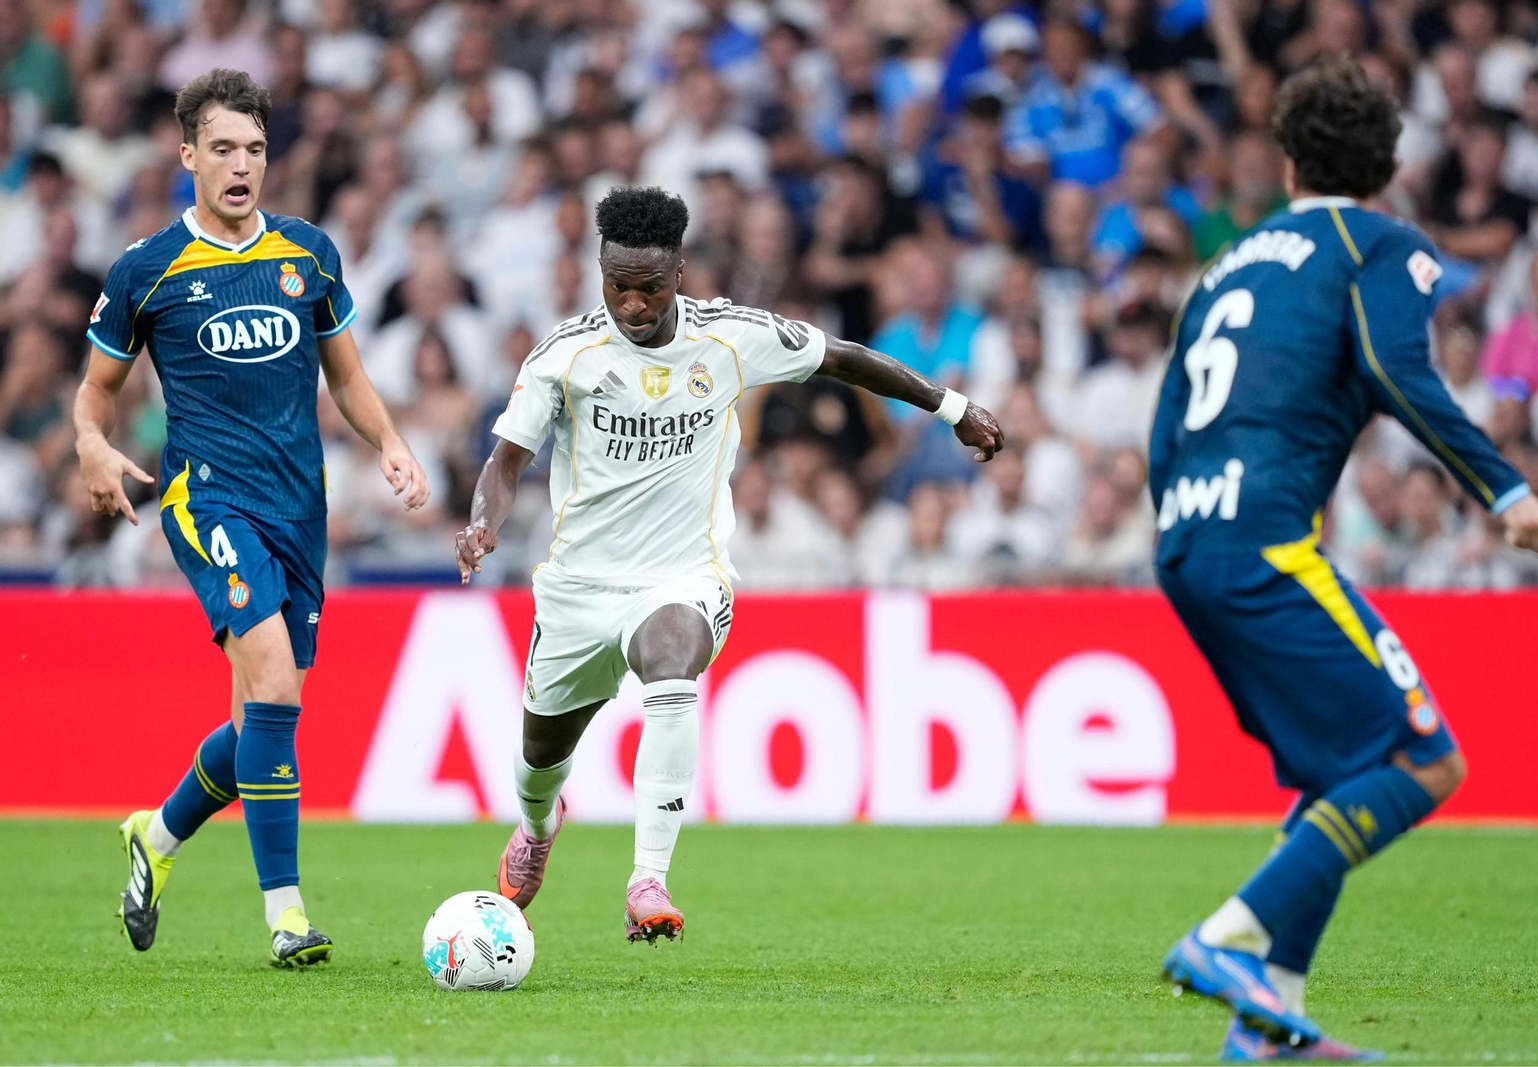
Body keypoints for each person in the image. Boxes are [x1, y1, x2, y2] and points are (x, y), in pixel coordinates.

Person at [454, 186, 1002, 943]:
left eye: (650, 287)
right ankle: (538, 826)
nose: (633, 304)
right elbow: (506, 460)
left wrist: (951, 407)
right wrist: (482, 524)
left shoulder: (731, 336)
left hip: (683, 573)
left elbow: (843, 358)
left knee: (672, 658)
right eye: (618, 286)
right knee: (540, 757)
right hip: (580, 586)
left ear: (679, 272)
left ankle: (648, 878)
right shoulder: (565, 354)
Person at [1148, 58, 1538, 1059]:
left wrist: (1187, 525)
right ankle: (1227, 937)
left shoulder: (1225, 266)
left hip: (1187, 542)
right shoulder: (1378, 243)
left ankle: (1268, 1021)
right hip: (1264, 541)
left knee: (1339, 771)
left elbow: (1165, 431)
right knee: (1425, 757)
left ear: (1289, 165)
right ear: (1387, 168)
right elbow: (1391, 365)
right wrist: (1505, 487)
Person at [72, 69, 428, 967]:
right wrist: (90, 443)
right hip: (206, 499)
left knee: (263, 721)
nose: (241, 166)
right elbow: (96, 390)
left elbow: (346, 373)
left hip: (298, 507)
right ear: (187, 155)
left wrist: (390, 440)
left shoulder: (308, 253)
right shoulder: (148, 268)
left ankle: (155, 835)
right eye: (223, 148)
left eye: (256, 149)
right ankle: (286, 915)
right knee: (274, 686)